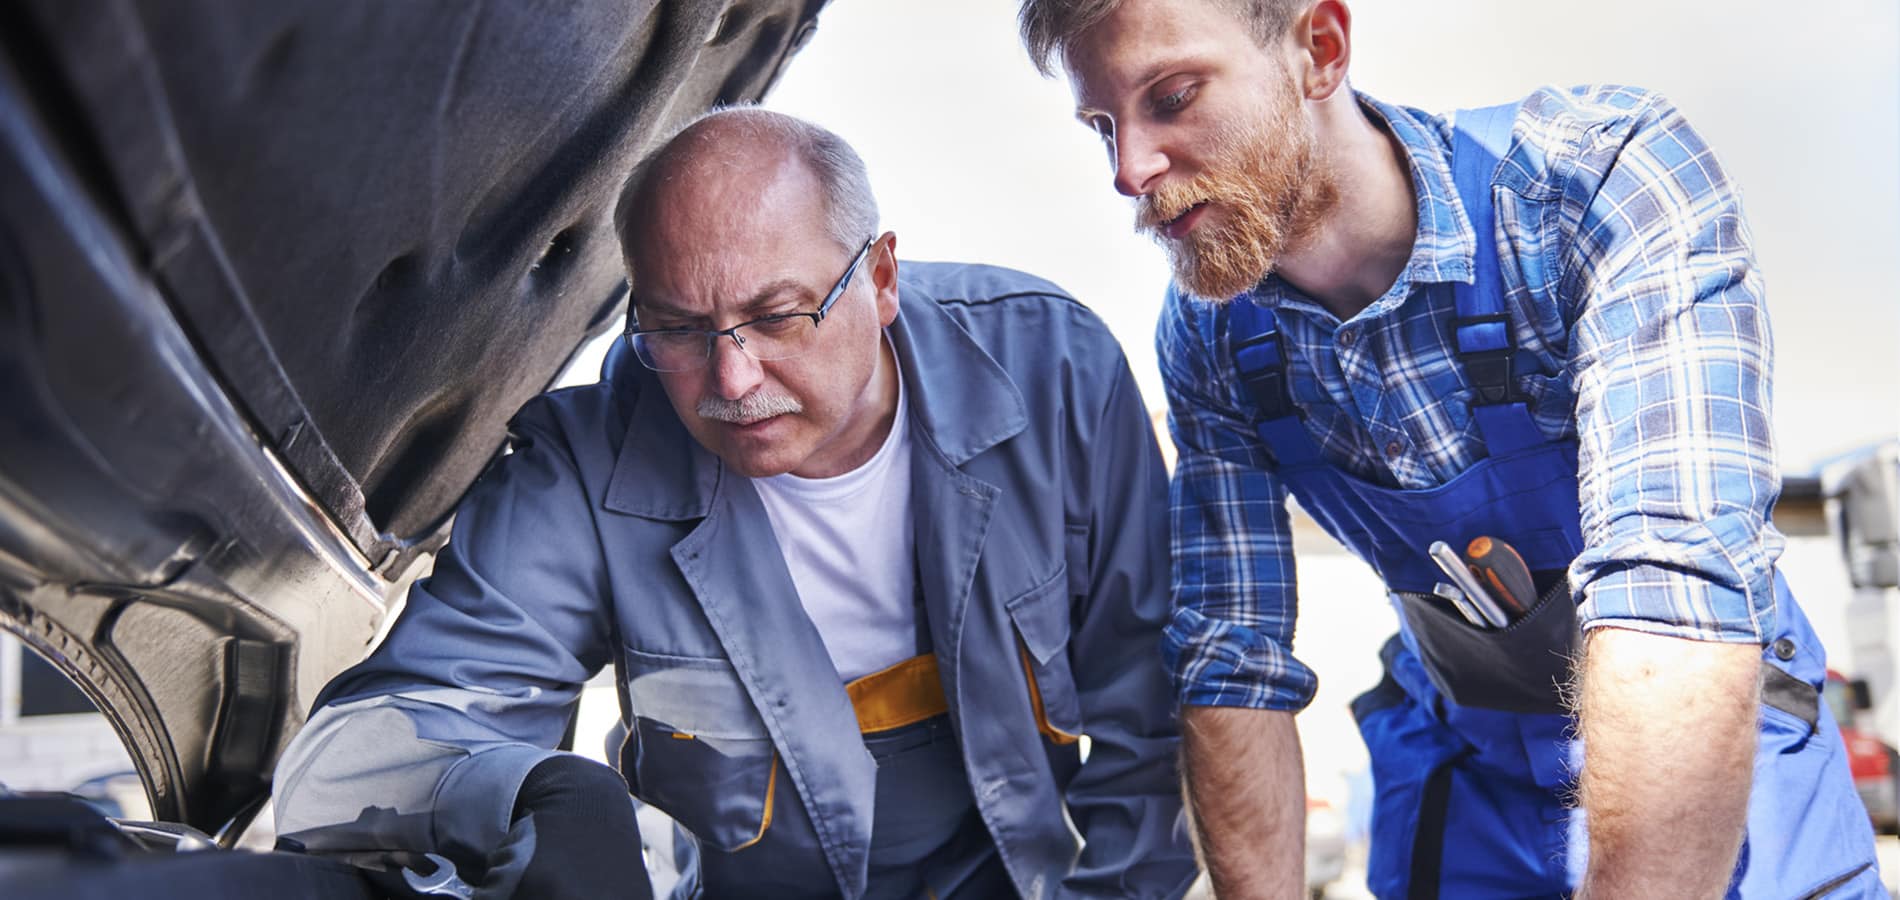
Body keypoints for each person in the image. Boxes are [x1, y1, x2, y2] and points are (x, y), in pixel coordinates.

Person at [1018, 0, 1880, 897]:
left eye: (1174, 95)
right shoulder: (1211, 338)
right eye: (1102, 125)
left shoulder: (1595, 186)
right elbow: (1234, 657)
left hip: (1707, 751)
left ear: (1320, 48)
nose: (1128, 170)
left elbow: (1673, 590)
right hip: (1467, 771)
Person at [271, 107, 1197, 899]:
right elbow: (342, 765)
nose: (732, 377)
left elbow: (1148, 713)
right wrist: (543, 796)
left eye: (778, 314)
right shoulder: (588, 470)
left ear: (878, 280)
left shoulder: (1053, 375)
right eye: (677, 328)